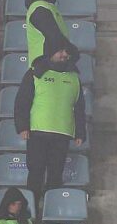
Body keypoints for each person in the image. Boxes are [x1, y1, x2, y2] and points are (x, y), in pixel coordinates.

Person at [14, 54, 86, 207]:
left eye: (65, 52)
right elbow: (22, 101)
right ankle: (31, 213)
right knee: (35, 173)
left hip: (62, 134)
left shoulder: (74, 77)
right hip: (37, 132)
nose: (63, 55)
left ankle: (52, 211)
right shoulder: (34, 73)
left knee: (55, 176)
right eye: (59, 51)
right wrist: (22, 126)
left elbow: (79, 107)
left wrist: (80, 132)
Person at [24, 0, 78, 67]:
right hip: (44, 65)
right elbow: (53, 34)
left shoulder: (48, 6)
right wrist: (72, 50)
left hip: (50, 64)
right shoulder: (40, 9)